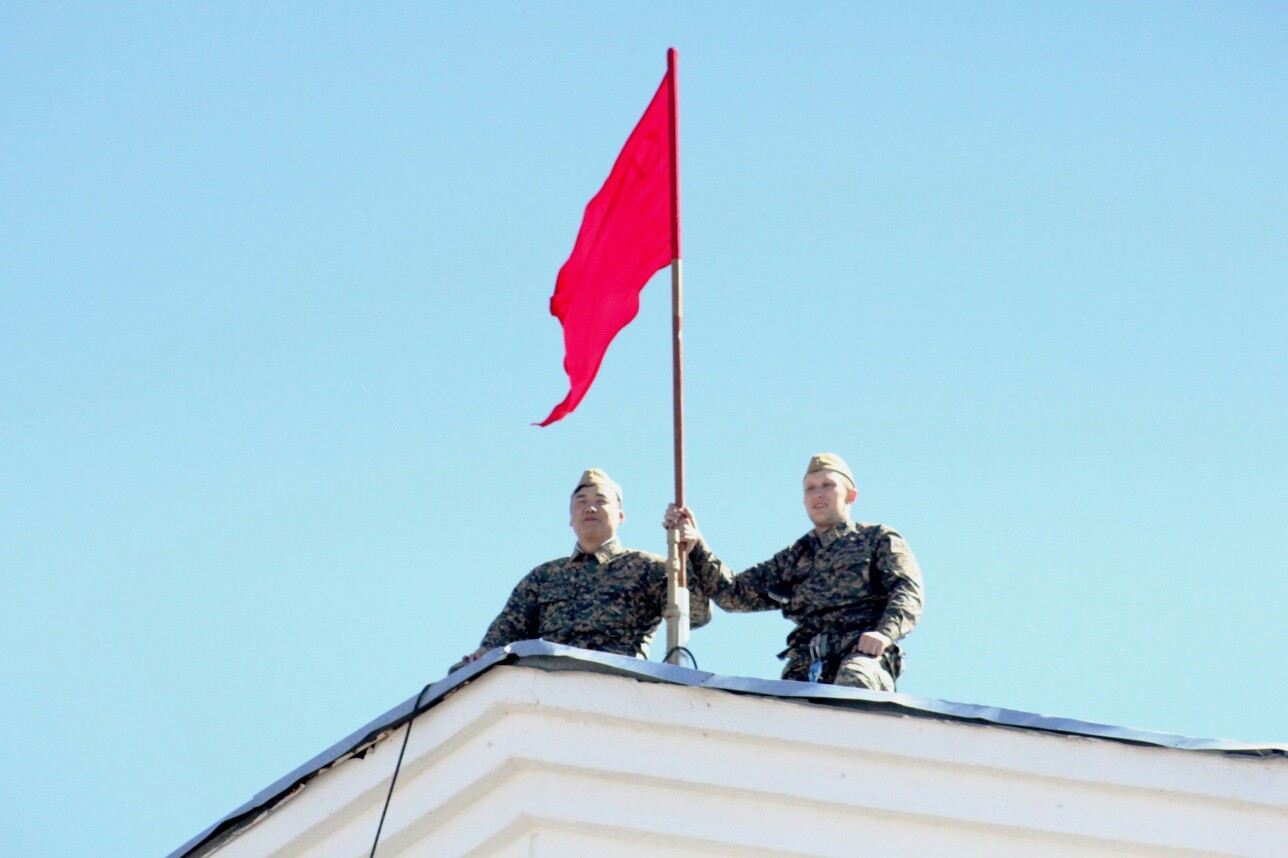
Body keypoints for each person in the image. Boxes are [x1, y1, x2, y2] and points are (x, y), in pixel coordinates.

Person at [665, 453, 923, 690]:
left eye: (827, 485)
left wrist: (884, 633)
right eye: (810, 488)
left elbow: (907, 590)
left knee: (854, 682)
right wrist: (696, 545)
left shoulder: (877, 539)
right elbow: (734, 594)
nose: (817, 494)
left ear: (850, 496)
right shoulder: (795, 557)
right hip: (807, 664)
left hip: (862, 653)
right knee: (782, 712)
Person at [457, 468, 710, 668]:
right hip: (552, 686)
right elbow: (502, 637)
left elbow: (696, 614)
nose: (590, 508)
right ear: (570, 518)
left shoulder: (647, 568)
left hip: (620, 684)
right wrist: (480, 657)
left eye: (601, 501)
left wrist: (687, 556)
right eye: (581, 502)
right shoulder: (544, 577)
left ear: (621, 516)